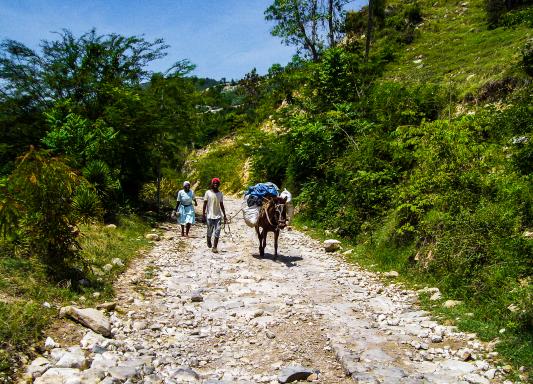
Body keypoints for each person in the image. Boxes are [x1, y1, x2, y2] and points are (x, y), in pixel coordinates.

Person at [202, 177, 227, 253]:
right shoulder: (208, 193)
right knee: (210, 230)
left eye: (217, 183)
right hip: (209, 215)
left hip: (218, 216)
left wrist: (224, 215)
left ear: (219, 184)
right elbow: (205, 204)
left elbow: (221, 204)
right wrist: (203, 214)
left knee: (218, 231)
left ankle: (215, 247)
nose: (215, 184)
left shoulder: (220, 194)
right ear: (212, 184)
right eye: (214, 183)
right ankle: (208, 239)